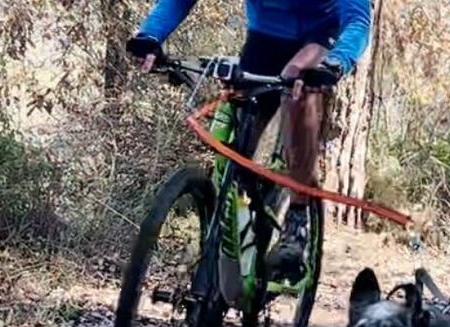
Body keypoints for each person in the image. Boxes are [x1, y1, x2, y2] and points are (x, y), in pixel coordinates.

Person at [128, 0, 371, 282]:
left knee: (298, 84)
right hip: (264, 39)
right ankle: (229, 226)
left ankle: (297, 222)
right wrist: (150, 35)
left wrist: (337, 62)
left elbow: (357, 20)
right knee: (241, 143)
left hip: (317, 37)